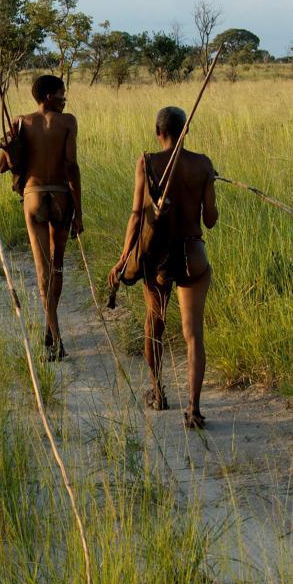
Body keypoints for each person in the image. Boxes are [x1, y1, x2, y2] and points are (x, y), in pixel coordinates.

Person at [109, 106, 217, 428]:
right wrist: (208, 183)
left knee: (154, 324)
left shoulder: (147, 162)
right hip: (192, 255)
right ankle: (193, 410)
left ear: (159, 134)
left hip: (158, 258)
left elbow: (136, 215)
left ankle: (158, 393)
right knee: (193, 334)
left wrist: (124, 256)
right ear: (186, 132)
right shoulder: (202, 164)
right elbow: (210, 221)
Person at [0, 73, 82, 360]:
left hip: (33, 197)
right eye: (61, 94)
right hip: (61, 196)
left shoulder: (21, 121)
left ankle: (52, 332)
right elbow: (71, 166)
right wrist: (79, 214)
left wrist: (10, 140)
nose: (65, 98)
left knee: (43, 270)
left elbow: (1, 166)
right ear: (49, 96)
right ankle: (54, 332)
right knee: (57, 266)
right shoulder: (68, 121)